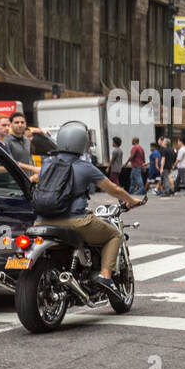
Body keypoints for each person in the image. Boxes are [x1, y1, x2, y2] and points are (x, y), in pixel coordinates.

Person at [34, 122, 144, 298]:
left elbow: (35, 177)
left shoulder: (47, 163)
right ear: (82, 143)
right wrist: (132, 201)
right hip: (75, 222)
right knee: (114, 235)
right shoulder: (84, 167)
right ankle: (106, 276)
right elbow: (113, 189)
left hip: (41, 221)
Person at [5, 113, 41, 178]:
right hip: (13, 180)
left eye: (22, 122)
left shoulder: (26, 140)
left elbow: (29, 160)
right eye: (16, 122)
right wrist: (32, 168)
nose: (20, 125)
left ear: (25, 124)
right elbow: (10, 161)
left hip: (27, 179)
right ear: (10, 124)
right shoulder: (6, 140)